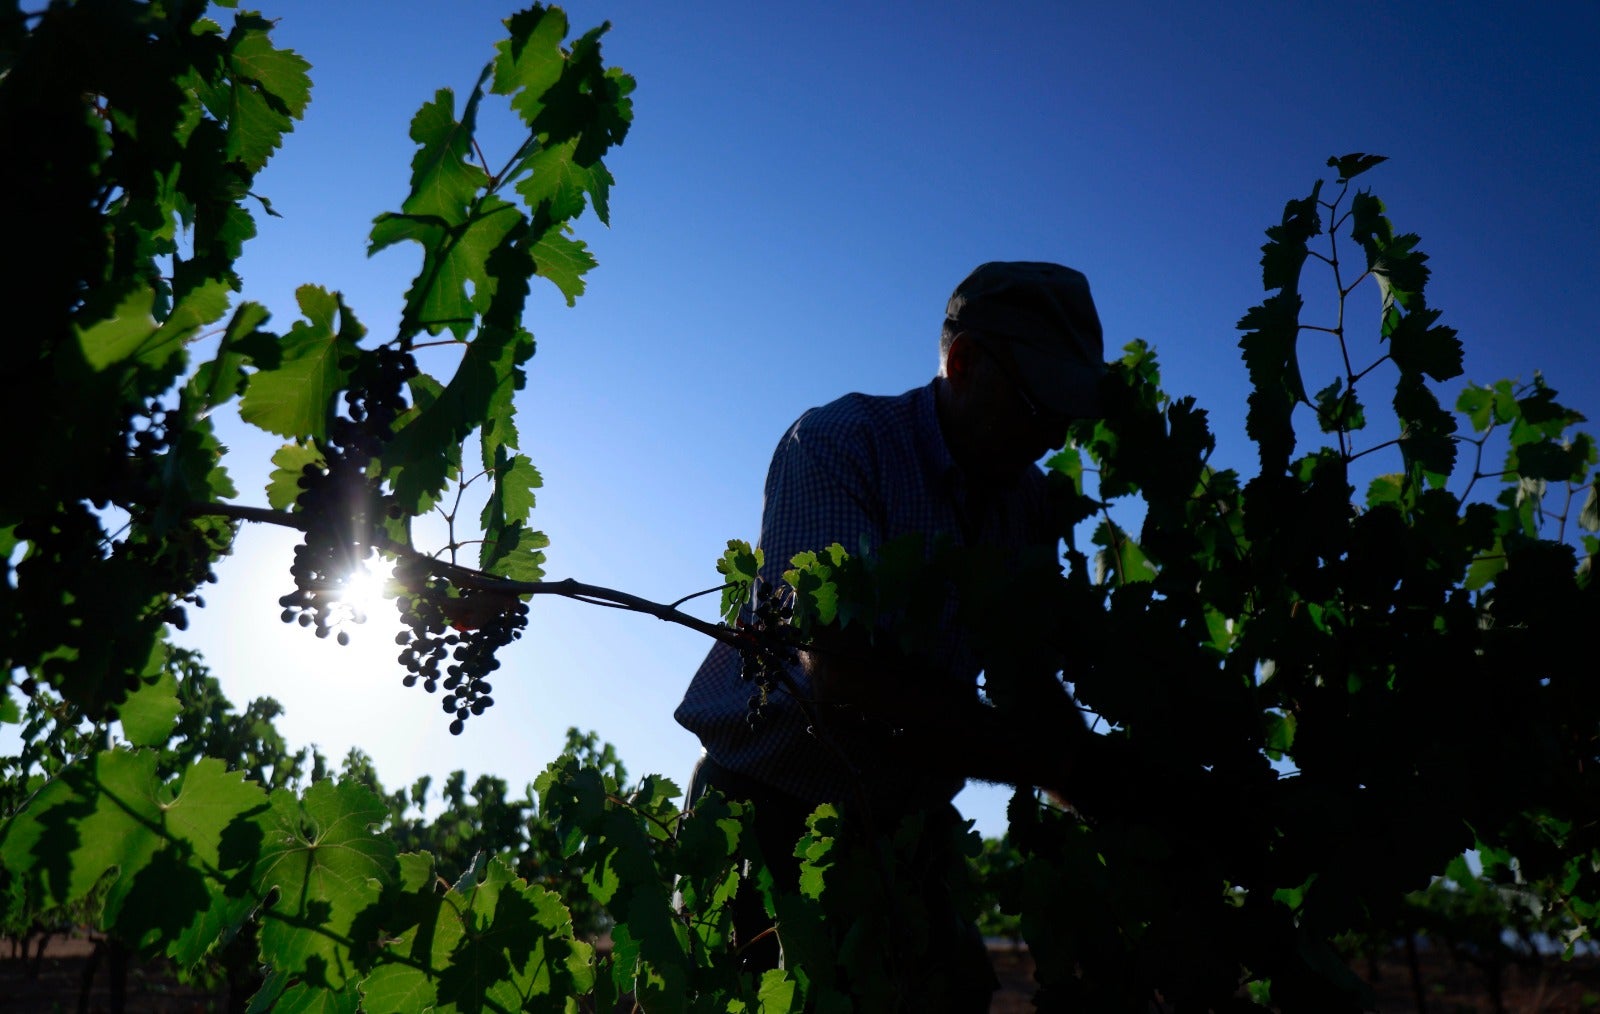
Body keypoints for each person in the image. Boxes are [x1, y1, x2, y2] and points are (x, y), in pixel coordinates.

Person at [674, 261, 1107, 1007]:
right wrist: (1063, 763)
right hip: (764, 816)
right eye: (1038, 406)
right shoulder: (842, 444)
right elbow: (845, 680)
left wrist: (1119, 791)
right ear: (962, 362)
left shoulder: (1024, 504)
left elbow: (1023, 678)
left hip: (909, 835)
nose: (1050, 436)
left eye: (1066, 417)